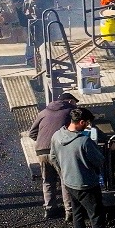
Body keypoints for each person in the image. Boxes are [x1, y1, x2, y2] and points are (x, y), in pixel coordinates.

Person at [51, 106, 115, 228]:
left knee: (78, 214)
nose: (88, 126)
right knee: (96, 215)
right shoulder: (84, 141)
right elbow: (99, 161)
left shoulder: (56, 136)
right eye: (87, 123)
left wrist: (63, 174)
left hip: (69, 183)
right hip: (87, 184)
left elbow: (53, 158)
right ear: (81, 122)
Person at [26, 90, 78, 218]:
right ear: (70, 101)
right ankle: (69, 212)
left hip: (41, 151)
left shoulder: (43, 112)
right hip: (59, 150)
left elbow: (32, 133)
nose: (76, 106)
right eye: (75, 103)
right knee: (65, 180)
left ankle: (50, 209)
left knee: (48, 180)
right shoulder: (70, 111)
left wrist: (44, 142)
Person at [11, 0, 55, 68]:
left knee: (45, 34)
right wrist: (27, 5)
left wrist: (48, 3)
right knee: (31, 36)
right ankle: (30, 58)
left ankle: (44, 57)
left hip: (42, 10)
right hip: (28, 15)